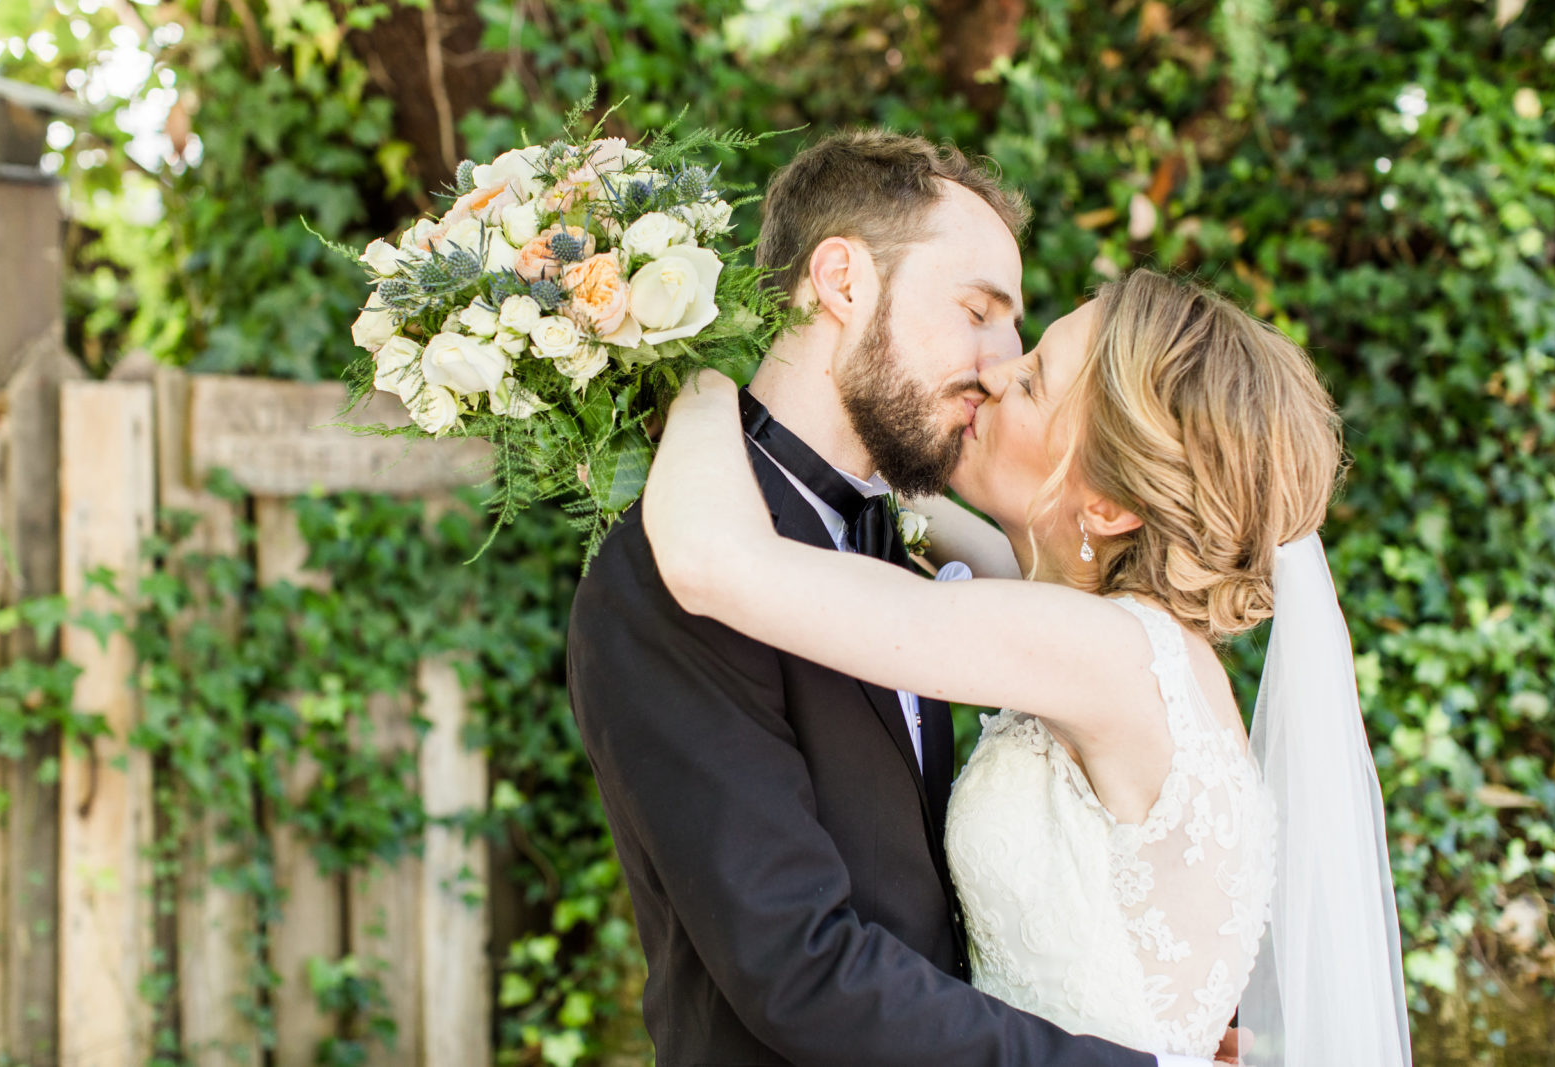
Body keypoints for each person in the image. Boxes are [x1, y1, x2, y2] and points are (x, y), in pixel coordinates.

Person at [641, 268, 1414, 1065]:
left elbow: (710, 559)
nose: (995, 373)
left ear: (1109, 507)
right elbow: (889, 494)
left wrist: (694, 376)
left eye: (1035, 382)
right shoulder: (1116, 639)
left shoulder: (1105, 655)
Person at [567, 133, 1216, 1064]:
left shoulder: (905, 543)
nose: (1000, 366)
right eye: (977, 310)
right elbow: (799, 968)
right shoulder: (667, 571)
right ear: (841, 281)